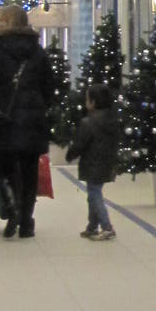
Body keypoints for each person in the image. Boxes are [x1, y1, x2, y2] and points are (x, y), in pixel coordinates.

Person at [0, 2, 59, 240]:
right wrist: (40, 107)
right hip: (33, 120)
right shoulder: (38, 52)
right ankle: (26, 221)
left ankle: (11, 206)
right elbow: (49, 88)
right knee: (29, 170)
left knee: (3, 167)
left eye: (0, 19)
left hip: (3, 119)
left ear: (7, 22)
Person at [67, 84, 119, 242]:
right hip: (107, 162)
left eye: (87, 99)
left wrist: (70, 154)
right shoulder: (112, 120)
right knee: (93, 194)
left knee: (94, 194)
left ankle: (107, 226)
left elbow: (80, 144)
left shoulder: (89, 122)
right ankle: (92, 227)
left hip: (92, 163)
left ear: (94, 102)